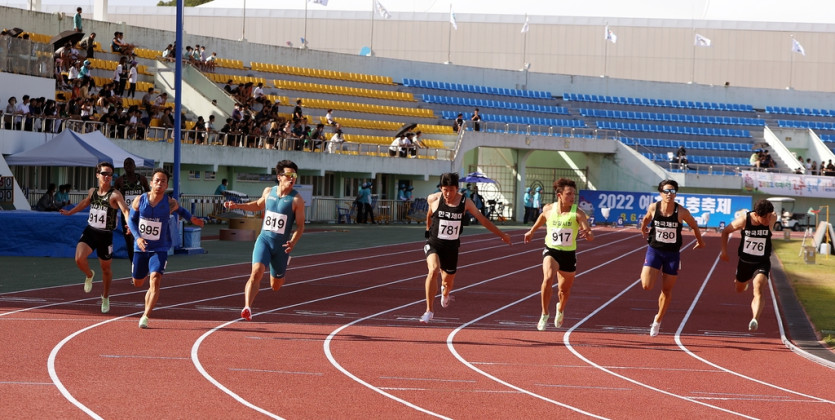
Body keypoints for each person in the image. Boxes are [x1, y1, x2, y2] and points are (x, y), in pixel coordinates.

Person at [419, 172, 512, 323]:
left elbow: (482, 219)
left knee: (447, 282)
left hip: (452, 248)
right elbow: (429, 213)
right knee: (433, 270)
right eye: (445, 190)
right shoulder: (433, 198)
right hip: (434, 243)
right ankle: (429, 310)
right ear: (441, 188)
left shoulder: (465, 202)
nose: (448, 193)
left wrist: (501, 234)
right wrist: (428, 229)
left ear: (457, 189)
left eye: (451, 190)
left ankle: (446, 293)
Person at [224, 160, 305, 322]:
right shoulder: (269, 192)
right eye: (288, 175)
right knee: (256, 273)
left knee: (275, 286)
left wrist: (292, 242)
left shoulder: (297, 200)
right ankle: (247, 307)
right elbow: (258, 205)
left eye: (294, 175)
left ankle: (282, 267)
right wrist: (237, 206)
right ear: (279, 177)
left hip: (281, 246)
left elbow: (301, 226)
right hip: (264, 241)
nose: (291, 178)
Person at [126, 168, 204, 328]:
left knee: (155, 279)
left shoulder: (169, 203)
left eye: (163, 181)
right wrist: (138, 237)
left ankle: (145, 316)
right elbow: (131, 221)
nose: (160, 183)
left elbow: (181, 210)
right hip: (140, 247)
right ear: (151, 183)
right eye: (157, 180)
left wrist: (192, 219)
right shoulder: (140, 200)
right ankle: (138, 272)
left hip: (160, 248)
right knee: (138, 283)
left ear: (167, 184)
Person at [59, 163, 132, 314]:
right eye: (105, 173)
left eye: (110, 174)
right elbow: (85, 203)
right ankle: (89, 274)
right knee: (79, 258)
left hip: (106, 235)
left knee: (106, 269)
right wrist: (69, 212)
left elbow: (125, 209)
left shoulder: (115, 194)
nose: (107, 177)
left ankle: (105, 296)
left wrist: (129, 224)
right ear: (97, 174)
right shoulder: (92, 192)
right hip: (91, 231)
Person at [524, 178, 594, 330]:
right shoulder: (549, 208)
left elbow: (590, 235)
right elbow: (542, 217)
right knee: (548, 278)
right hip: (552, 250)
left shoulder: (578, 213)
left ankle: (560, 309)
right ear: (559, 195)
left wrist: (587, 234)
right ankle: (544, 314)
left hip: (568, 254)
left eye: (574, 194)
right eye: (569, 194)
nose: (572, 197)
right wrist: (532, 231)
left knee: (564, 290)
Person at [639, 179, 705, 337]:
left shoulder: (681, 211)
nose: (669, 194)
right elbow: (647, 217)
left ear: (676, 194)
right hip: (654, 250)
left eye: (672, 191)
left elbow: (694, 225)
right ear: (661, 193)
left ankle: (658, 320)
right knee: (646, 286)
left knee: (667, 290)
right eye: (666, 191)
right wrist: (643, 229)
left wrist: (700, 241)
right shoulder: (654, 207)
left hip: (672, 254)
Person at [720, 199, 777, 332]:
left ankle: (754, 319)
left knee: (758, 289)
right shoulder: (744, 220)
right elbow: (725, 232)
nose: (768, 220)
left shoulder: (772, 217)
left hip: (762, 262)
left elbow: (770, 221)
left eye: (770, 216)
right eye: (765, 217)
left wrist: (770, 219)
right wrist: (724, 251)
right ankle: (742, 282)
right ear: (756, 215)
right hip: (745, 262)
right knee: (739, 289)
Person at [114, 157, 150, 263]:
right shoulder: (120, 180)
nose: (128, 166)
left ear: (134, 166)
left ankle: (144, 263)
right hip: (127, 215)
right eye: (126, 164)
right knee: (129, 242)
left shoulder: (142, 179)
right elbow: (114, 197)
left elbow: (149, 194)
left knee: (143, 239)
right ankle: (134, 266)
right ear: (124, 167)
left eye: (130, 164)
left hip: (141, 215)